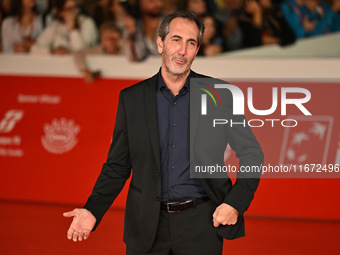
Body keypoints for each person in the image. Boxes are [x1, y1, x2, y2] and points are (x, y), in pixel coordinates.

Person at [63, 10, 264, 255]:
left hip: (202, 225)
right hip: (146, 226)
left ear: (197, 49)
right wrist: (92, 209)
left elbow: (252, 154)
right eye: (176, 40)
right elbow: (117, 165)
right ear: (160, 44)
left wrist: (234, 203)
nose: (182, 50)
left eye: (191, 43)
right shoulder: (132, 99)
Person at [31, 0, 97, 55]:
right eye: (69, 9)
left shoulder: (87, 22)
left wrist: (72, 28)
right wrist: (53, 51)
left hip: (79, 66)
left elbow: (81, 51)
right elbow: (35, 49)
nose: (74, 11)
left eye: (75, 7)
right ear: (61, 12)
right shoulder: (56, 25)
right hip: (58, 66)